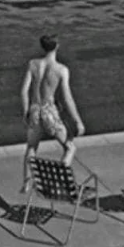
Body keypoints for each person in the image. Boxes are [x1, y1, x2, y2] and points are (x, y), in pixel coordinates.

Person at [21, 34, 85, 191]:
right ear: (57, 46)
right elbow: (67, 98)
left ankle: (27, 183)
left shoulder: (33, 64)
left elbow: (23, 91)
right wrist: (77, 121)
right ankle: (57, 182)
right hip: (50, 112)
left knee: (31, 147)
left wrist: (26, 112)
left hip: (35, 110)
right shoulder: (61, 70)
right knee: (70, 148)